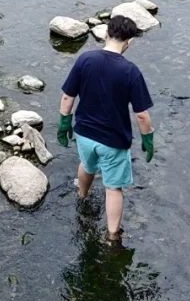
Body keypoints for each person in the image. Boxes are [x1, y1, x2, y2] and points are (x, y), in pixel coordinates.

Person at [57, 14, 155, 238]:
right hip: (113, 141)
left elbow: (67, 97)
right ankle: (112, 235)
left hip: (84, 133)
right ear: (129, 42)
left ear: (105, 34)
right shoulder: (130, 71)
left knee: (86, 164)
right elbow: (141, 115)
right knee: (113, 188)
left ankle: (81, 195)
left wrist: (64, 123)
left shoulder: (85, 59)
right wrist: (147, 139)